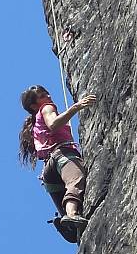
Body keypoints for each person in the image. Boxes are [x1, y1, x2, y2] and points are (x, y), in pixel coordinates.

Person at [19, 85, 96, 232]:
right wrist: (76, 107)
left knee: (73, 231)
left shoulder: (35, 125)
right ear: (34, 105)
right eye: (42, 96)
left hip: (49, 173)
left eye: (46, 93)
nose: (48, 96)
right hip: (62, 155)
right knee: (76, 180)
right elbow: (53, 124)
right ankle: (72, 214)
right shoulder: (46, 108)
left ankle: (68, 225)